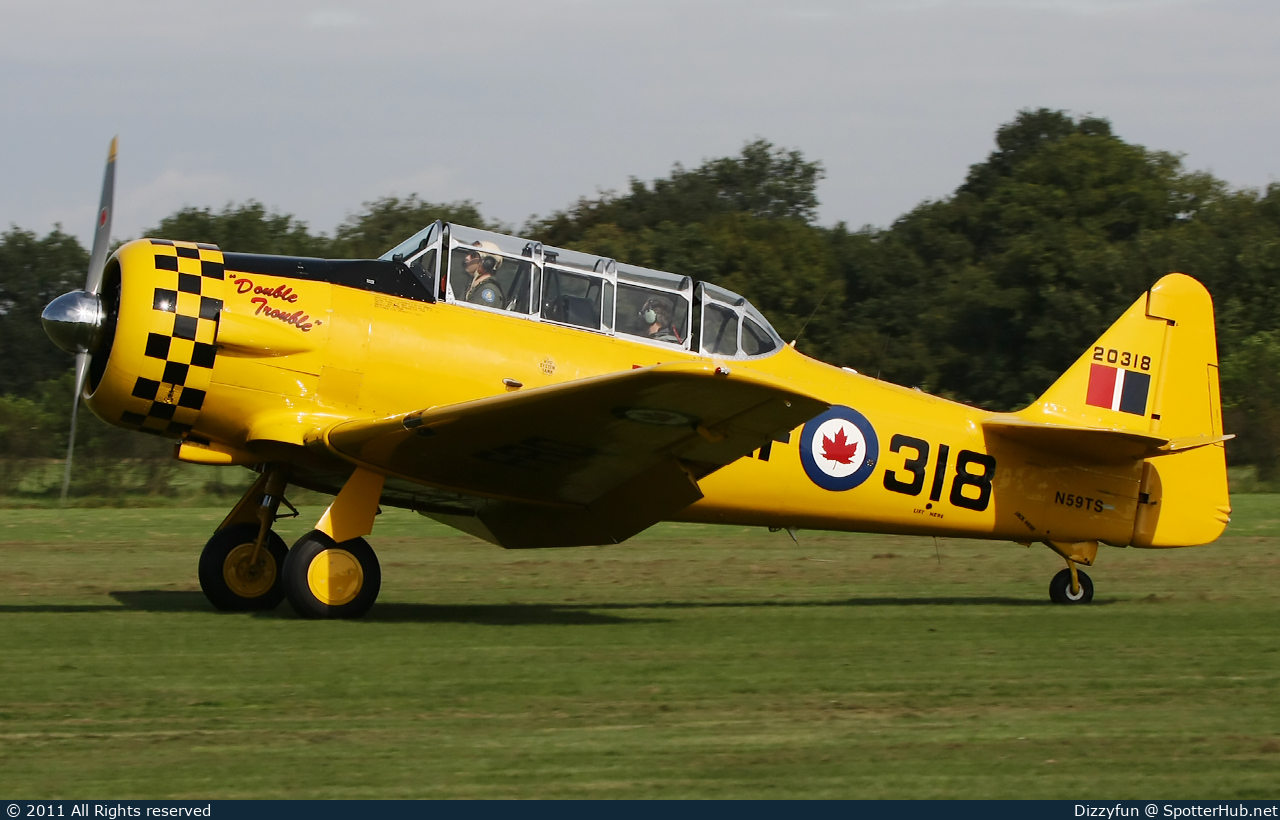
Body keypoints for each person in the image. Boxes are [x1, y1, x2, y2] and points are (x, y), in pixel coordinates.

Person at [462, 241, 505, 307]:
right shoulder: (473, 286)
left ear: (487, 263)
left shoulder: (487, 291)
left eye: (473, 255)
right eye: (468, 253)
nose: (467, 258)